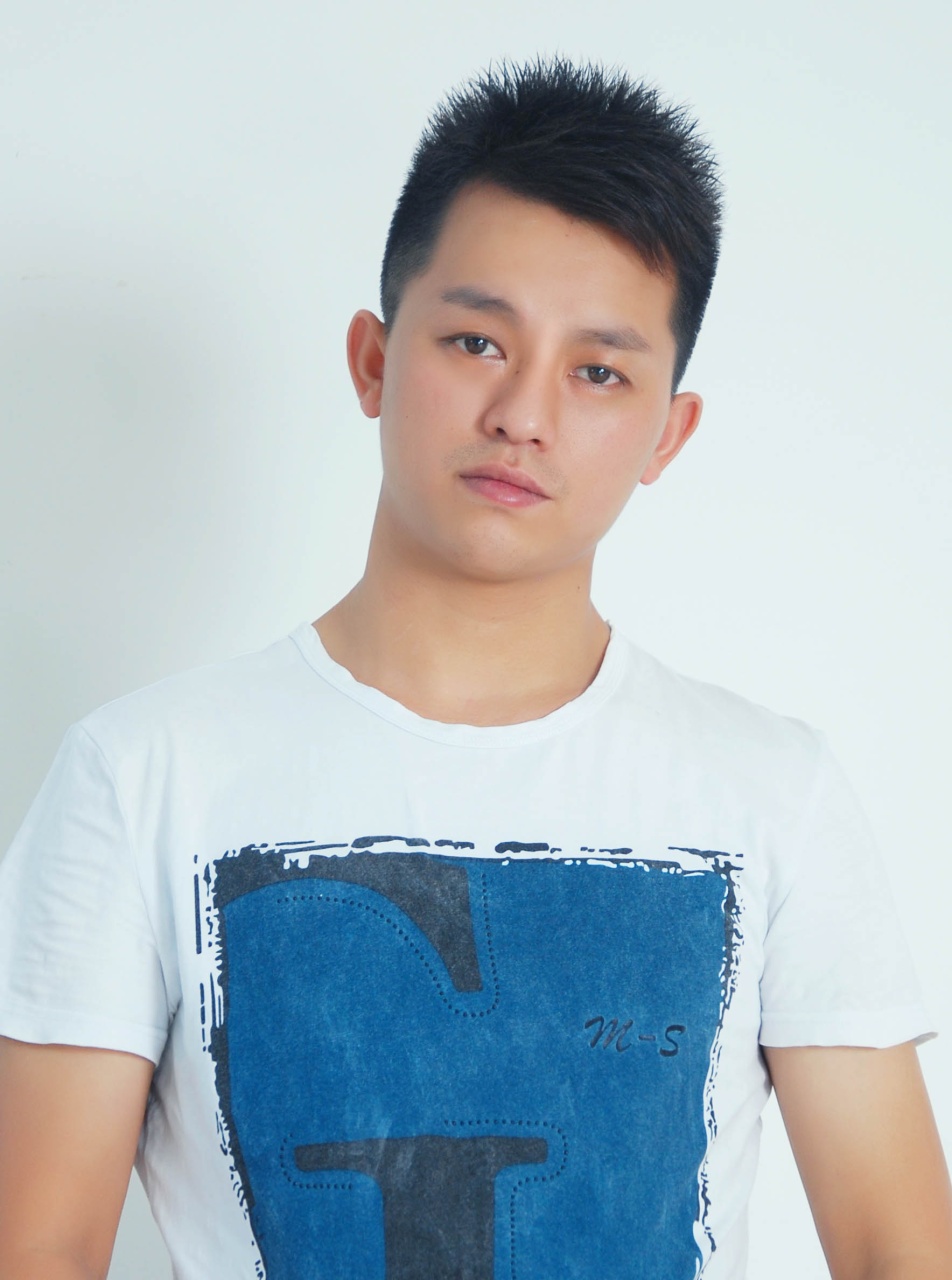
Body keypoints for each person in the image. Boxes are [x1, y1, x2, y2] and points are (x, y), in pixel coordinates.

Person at [0, 58, 950, 1280]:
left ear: (666, 432)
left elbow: (896, 1247)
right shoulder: (140, 774)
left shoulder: (773, 790)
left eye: (597, 370)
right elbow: (37, 1249)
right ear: (372, 358)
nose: (522, 413)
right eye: (475, 340)